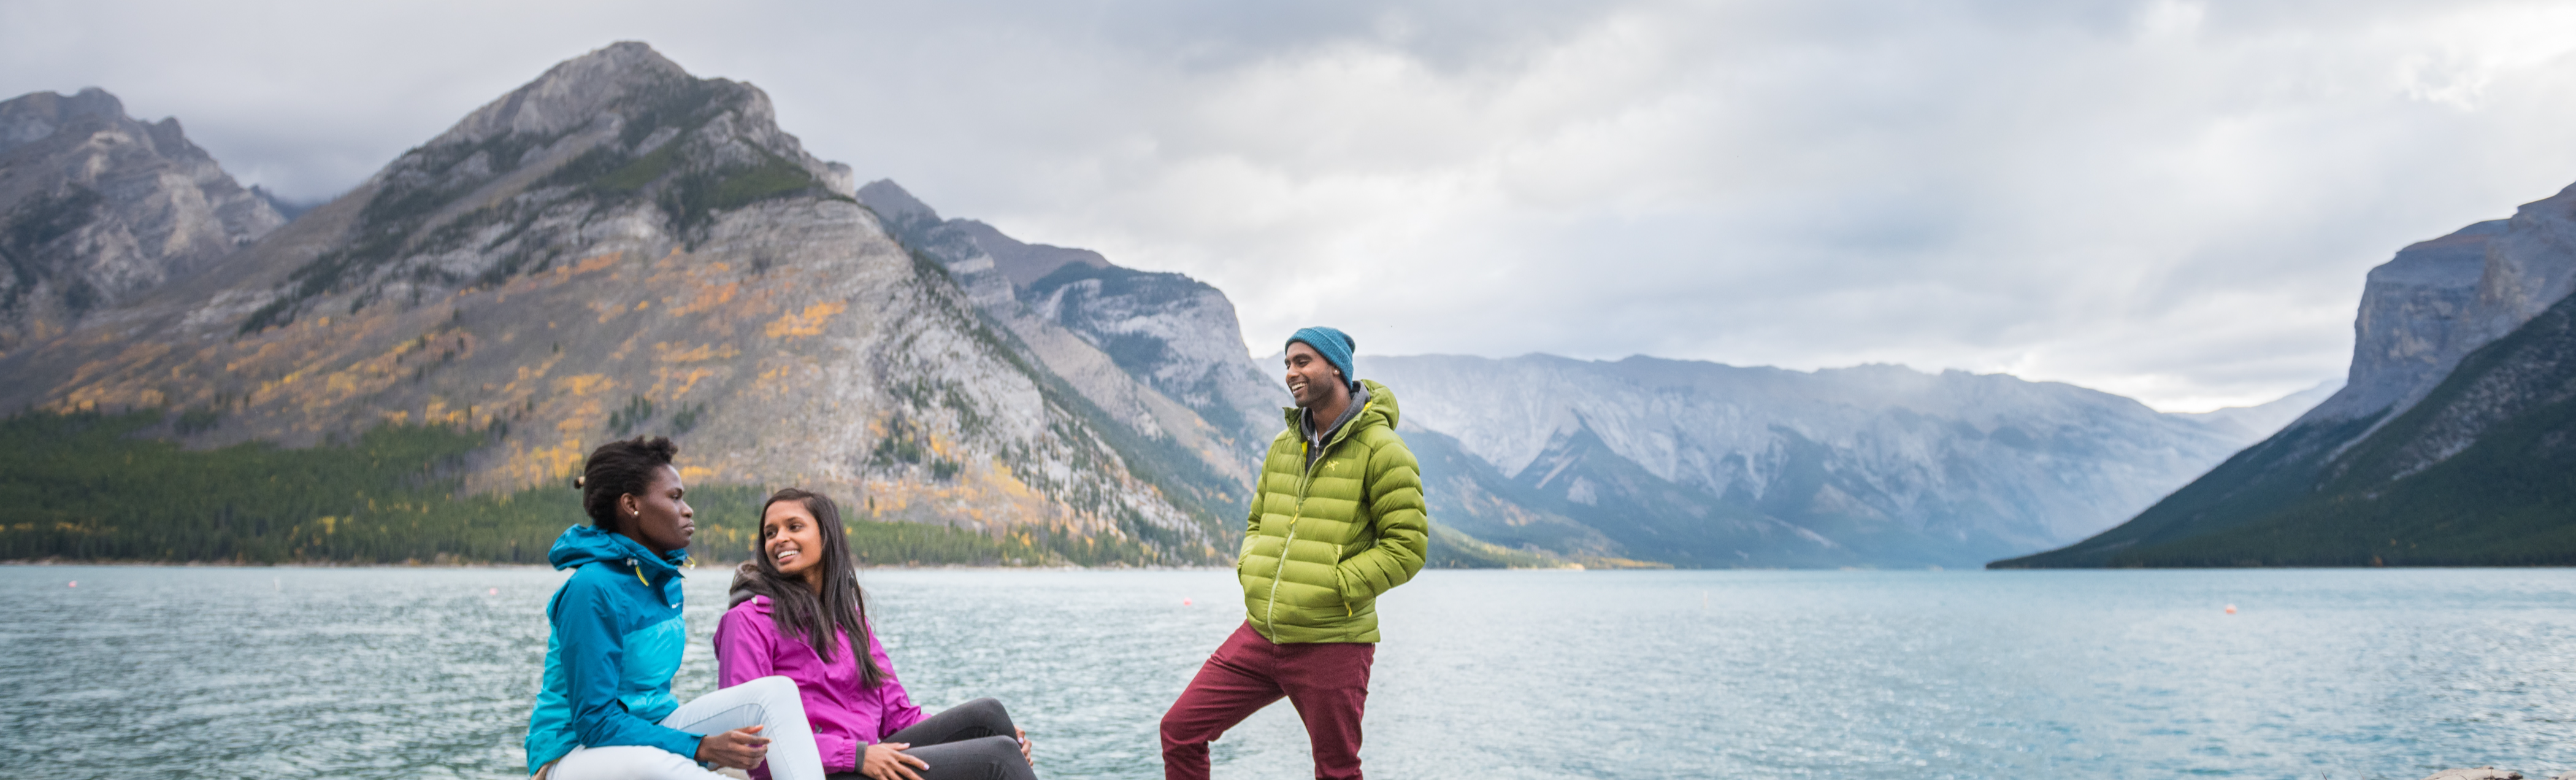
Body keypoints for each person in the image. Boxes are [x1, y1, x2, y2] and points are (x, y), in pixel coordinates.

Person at [1159, 326, 1428, 780]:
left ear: (1336, 367)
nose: (1291, 373)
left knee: (1336, 770)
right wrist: (1252, 567)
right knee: (1181, 730)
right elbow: (1257, 522)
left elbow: (1408, 546)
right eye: (1287, 363)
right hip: (1262, 634)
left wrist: (1334, 583)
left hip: (1333, 641)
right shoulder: (1284, 446)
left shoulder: (1383, 450)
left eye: (1302, 361)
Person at [525, 437, 827, 780]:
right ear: (631, 505)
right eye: (674, 497)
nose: (688, 509)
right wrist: (699, 747)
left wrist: (695, 744)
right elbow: (595, 722)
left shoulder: (660, 580)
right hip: (573, 753)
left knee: (778, 692)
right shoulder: (591, 589)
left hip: (648, 728)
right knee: (663, 767)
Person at [716, 488, 1037, 780]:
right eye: (770, 533)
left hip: (866, 760)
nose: (778, 539)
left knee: (989, 716)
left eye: (794, 527)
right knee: (999, 759)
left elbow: (899, 718)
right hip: (815, 770)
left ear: (826, 537)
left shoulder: (849, 621)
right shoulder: (747, 620)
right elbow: (747, 740)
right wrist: (855, 756)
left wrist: (1001, 736)